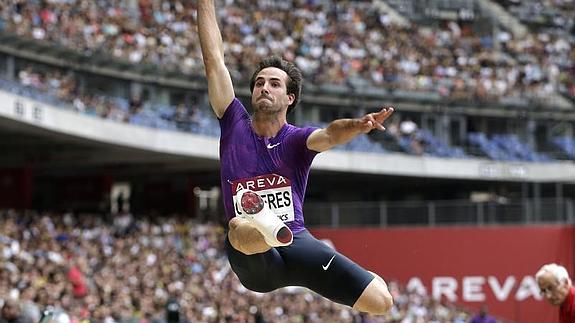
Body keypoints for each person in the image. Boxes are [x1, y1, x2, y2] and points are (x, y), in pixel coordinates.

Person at [197, 0, 395, 315]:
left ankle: (277, 230)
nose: (264, 87)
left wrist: (358, 126)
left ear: (289, 98)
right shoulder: (233, 122)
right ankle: (265, 222)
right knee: (240, 227)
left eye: (274, 83)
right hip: (255, 257)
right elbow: (214, 60)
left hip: (297, 242)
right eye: (260, 82)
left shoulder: (299, 140)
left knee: (381, 303)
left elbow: (331, 134)